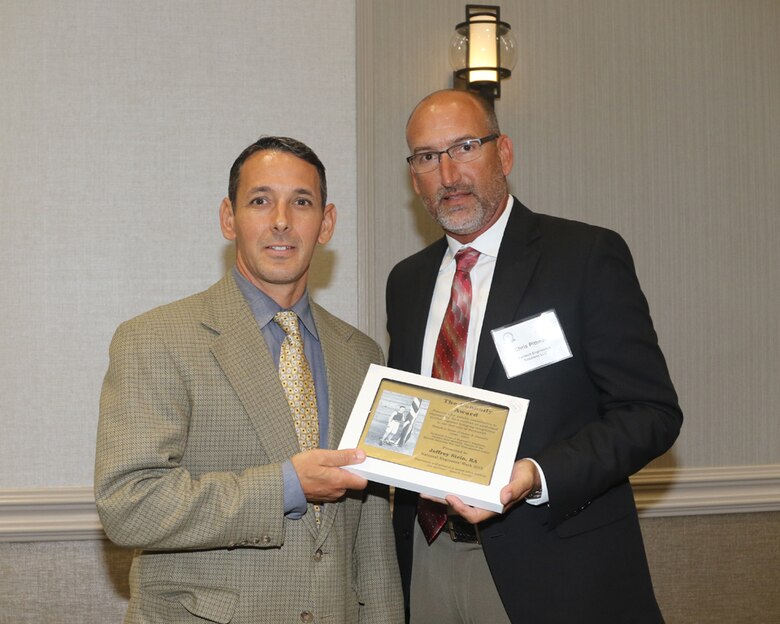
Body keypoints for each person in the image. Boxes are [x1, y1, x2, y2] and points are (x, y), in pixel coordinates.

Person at [387, 89, 683, 623]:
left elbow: (651, 415)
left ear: (504, 154)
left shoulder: (584, 257)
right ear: (414, 178)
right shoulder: (406, 283)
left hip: (557, 566)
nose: (448, 174)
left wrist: (536, 473)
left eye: (465, 147)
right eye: (427, 157)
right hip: (428, 559)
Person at [95, 136, 403, 623]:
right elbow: (130, 506)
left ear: (326, 223)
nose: (281, 219)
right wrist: (286, 486)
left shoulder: (361, 354)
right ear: (228, 217)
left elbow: (371, 537)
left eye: (301, 202)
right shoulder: (154, 339)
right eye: (260, 201)